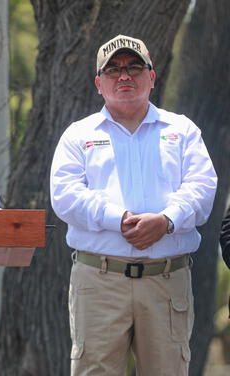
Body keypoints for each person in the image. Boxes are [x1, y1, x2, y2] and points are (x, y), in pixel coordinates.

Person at [50, 35, 217, 375]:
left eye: (134, 67)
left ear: (152, 77)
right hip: (99, 279)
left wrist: (167, 220)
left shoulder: (183, 130)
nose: (124, 76)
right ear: (99, 83)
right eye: (113, 70)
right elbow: (65, 195)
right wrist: (118, 219)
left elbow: (202, 188)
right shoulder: (77, 134)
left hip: (166, 279)